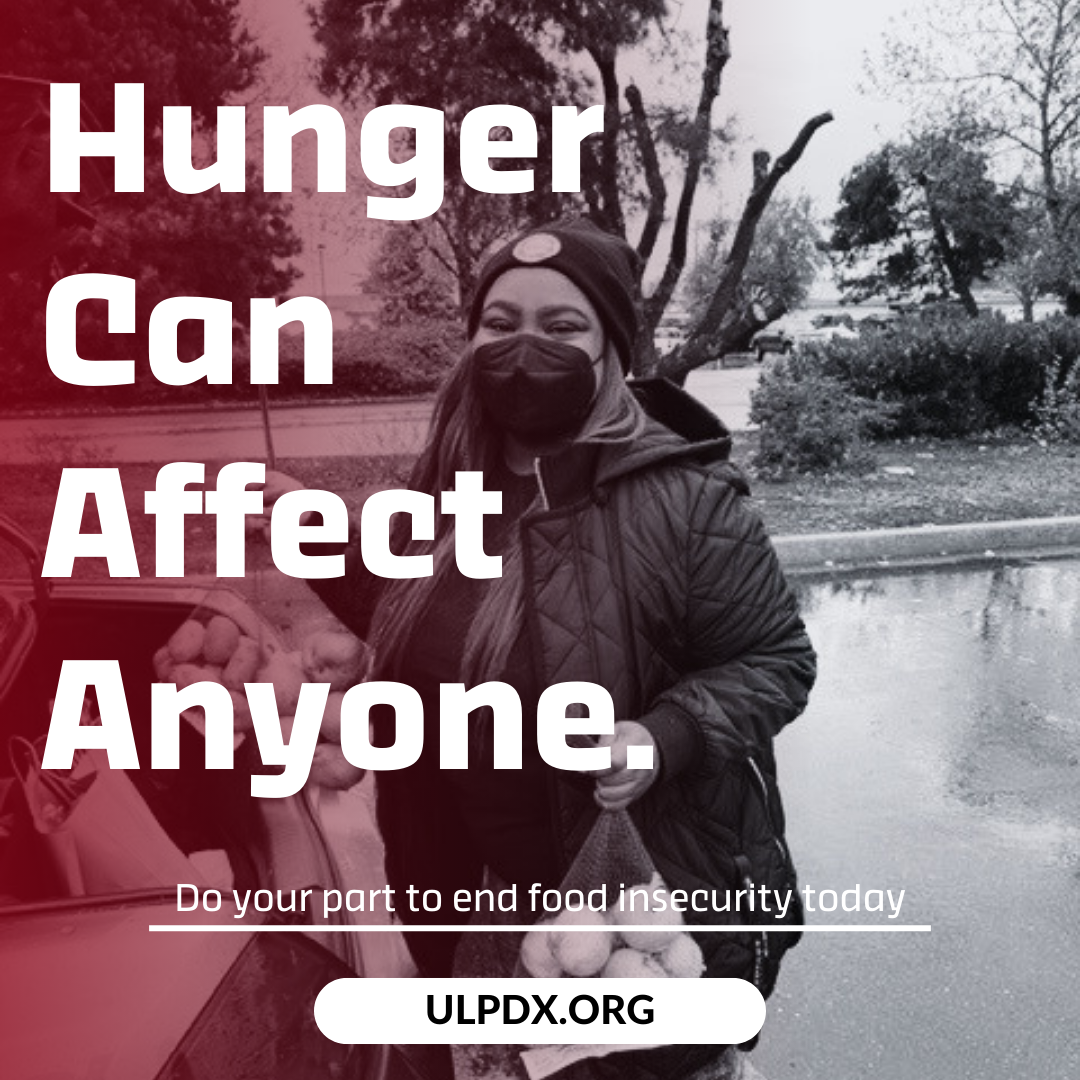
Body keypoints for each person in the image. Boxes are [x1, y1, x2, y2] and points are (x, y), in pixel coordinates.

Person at [263, 219, 816, 1080]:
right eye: (501, 323)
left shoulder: (686, 500)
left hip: (625, 909)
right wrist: (315, 542)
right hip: (472, 913)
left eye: (562, 327)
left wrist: (661, 737)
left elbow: (776, 660)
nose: (527, 348)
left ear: (613, 352)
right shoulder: (450, 489)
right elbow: (429, 612)